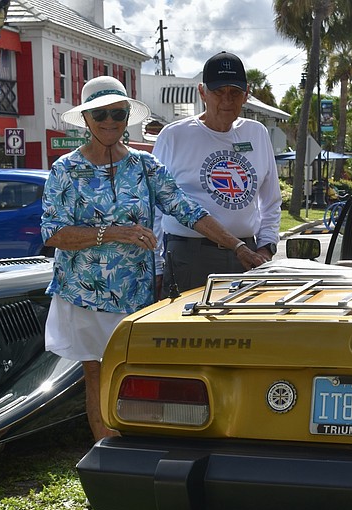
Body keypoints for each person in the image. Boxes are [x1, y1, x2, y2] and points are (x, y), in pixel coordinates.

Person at [41, 76, 260, 440]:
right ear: (86, 119)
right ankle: (106, 458)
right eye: (101, 114)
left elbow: (187, 210)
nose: (110, 121)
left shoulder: (145, 166)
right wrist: (113, 232)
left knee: (131, 372)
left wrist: (237, 246)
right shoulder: (66, 169)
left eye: (118, 113)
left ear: (128, 117)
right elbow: (53, 233)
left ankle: (133, 454)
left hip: (136, 296)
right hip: (82, 295)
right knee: (96, 372)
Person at [153, 51, 282, 294]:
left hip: (247, 257)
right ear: (202, 92)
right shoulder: (174, 136)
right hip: (189, 256)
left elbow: (271, 202)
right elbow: (154, 207)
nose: (227, 100)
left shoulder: (257, 134)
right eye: (218, 92)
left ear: (246, 94)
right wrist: (157, 266)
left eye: (234, 93)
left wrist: (266, 247)